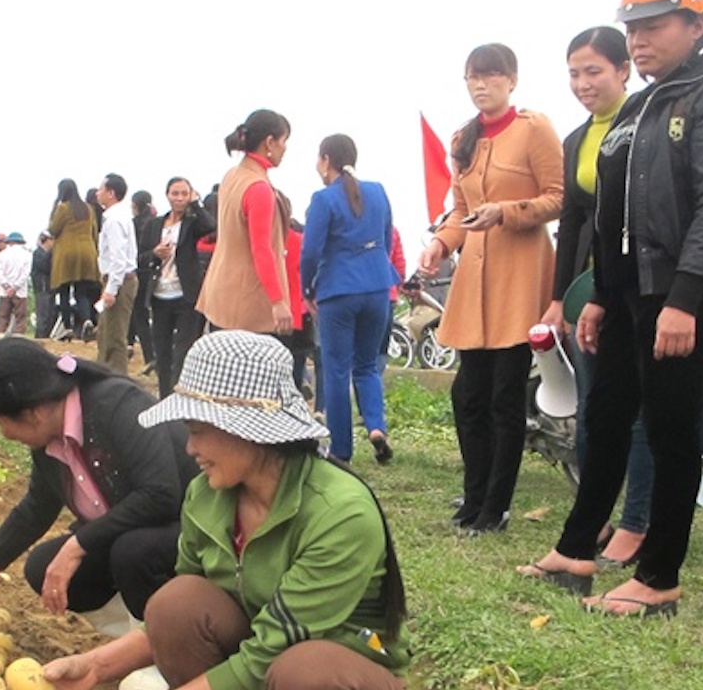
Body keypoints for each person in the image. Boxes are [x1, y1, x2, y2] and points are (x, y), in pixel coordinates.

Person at [27, 331, 413, 690]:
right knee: (175, 603)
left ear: (249, 429)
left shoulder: (339, 512)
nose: (189, 448)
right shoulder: (207, 496)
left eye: (198, 429)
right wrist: (98, 666)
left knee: (307, 670)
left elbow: (263, 659)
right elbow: (184, 616)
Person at [518, 0, 703, 616]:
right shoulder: (638, 107)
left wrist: (686, 298)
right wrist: (602, 293)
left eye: (654, 26)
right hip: (627, 292)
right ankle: (577, 551)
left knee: (670, 428)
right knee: (603, 421)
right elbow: (610, 211)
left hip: (682, 290)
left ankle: (659, 577)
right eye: (632, 27)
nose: (638, 40)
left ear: (697, 23)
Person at [0, 338, 197, 632]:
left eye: (2, 423)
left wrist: (78, 544)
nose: (5, 434)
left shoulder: (118, 404)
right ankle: (134, 637)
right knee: (42, 565)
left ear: (34, 411)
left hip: (193, 529)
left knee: (132, 551)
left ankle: (170, 642)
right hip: (134, 533)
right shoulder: (49, 440)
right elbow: (36, 509)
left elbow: (160, 494)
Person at [417, 44, 563, 535]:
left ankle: (495, 506)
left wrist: (507, 211)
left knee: (505, 396)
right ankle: (475, 492)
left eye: (492, 76)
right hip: (474, 280)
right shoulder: (465, 138)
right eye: (473, 78)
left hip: (521, 274)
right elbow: (460, 210)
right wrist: (440, 243)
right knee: (468, 395)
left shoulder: (534, 128)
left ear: (512, 80)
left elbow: (558, 197)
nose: (482, 85)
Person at [538, 26, 653, 567]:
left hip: (643, 289)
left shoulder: (645, 121)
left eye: (594, 72)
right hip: (592, 290)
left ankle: (637, 523)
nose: (582, 84)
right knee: (592, 412)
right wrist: (560, 298)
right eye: (574, 74)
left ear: (623, 70)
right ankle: (596, 516)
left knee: (641, 416)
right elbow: (574, 221)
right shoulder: (577, 140)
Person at [301, 134, 400, 465]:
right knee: (367, 365)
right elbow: (386, 239)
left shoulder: (323, 199)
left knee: (336, 370)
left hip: (338, 291)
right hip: (377, 288)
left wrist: (307, 288)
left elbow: (310, 252)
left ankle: (341, 449)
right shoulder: (378, 191)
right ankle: (376, 427)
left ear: (326, 160)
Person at [196, 109, 293, 338]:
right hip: (249, 301)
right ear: (269, 141)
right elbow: (261, 249)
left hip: (220, 292)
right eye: (284, 141)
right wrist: (278, 300)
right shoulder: (258, 188)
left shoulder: (233, 175)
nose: (285, 149)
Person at [150, 177, 216, 397]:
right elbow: (139, 257)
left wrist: (196, 204)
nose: (179, 198)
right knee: (162, 350)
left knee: (183, 350)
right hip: (159, 294)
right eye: (175, 193)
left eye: (184, 194)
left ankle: (180, 397)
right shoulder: (154, 225)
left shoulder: (191, 223)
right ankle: (164, 397)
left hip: (186, 295)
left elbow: (210, 226)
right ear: (167, 195)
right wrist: (154, 253)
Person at [94, 173, 139, 374]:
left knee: (114, 335)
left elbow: (118, 258)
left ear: (111, 193)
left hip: (120, 281)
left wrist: (112, 289)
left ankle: (115, 376)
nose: (97, 193)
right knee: (105, 332)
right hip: (117, 279)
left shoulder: (115, 219)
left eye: (101, 189)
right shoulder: (117, 216)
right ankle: (105, 372)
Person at [48, 179, 101, 340]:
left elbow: (53, 229)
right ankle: (86, 320)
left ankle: (67, 327)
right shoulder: (88, 209)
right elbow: (95, 232)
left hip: (67, 253)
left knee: (64, 291)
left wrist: (53, 208)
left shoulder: (63, 208)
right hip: (87, 251)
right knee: (81, 291)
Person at [128, 189, 158, 371]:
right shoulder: (156, 223)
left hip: (139, 270)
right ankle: (130, 344)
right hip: (154, 272)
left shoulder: (134, 224)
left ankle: (149, 355)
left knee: (139, 314)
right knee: (150, 314)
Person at [0, 231, 32, 336]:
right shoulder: (27, 255)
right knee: (20, 318)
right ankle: (18, 338)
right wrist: (15, 287)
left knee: (3, 317)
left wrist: (7, 286)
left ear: (9, 242)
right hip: (20, 292)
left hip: (4, 291)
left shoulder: (2, 255)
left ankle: (0, 337)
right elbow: (25, 274)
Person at [31, 230, 57, 339]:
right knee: (43, 316)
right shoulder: (38, 253)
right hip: (42, 288)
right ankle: (41, 338)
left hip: (50, 288)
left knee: (51, 315)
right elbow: (45, 266)